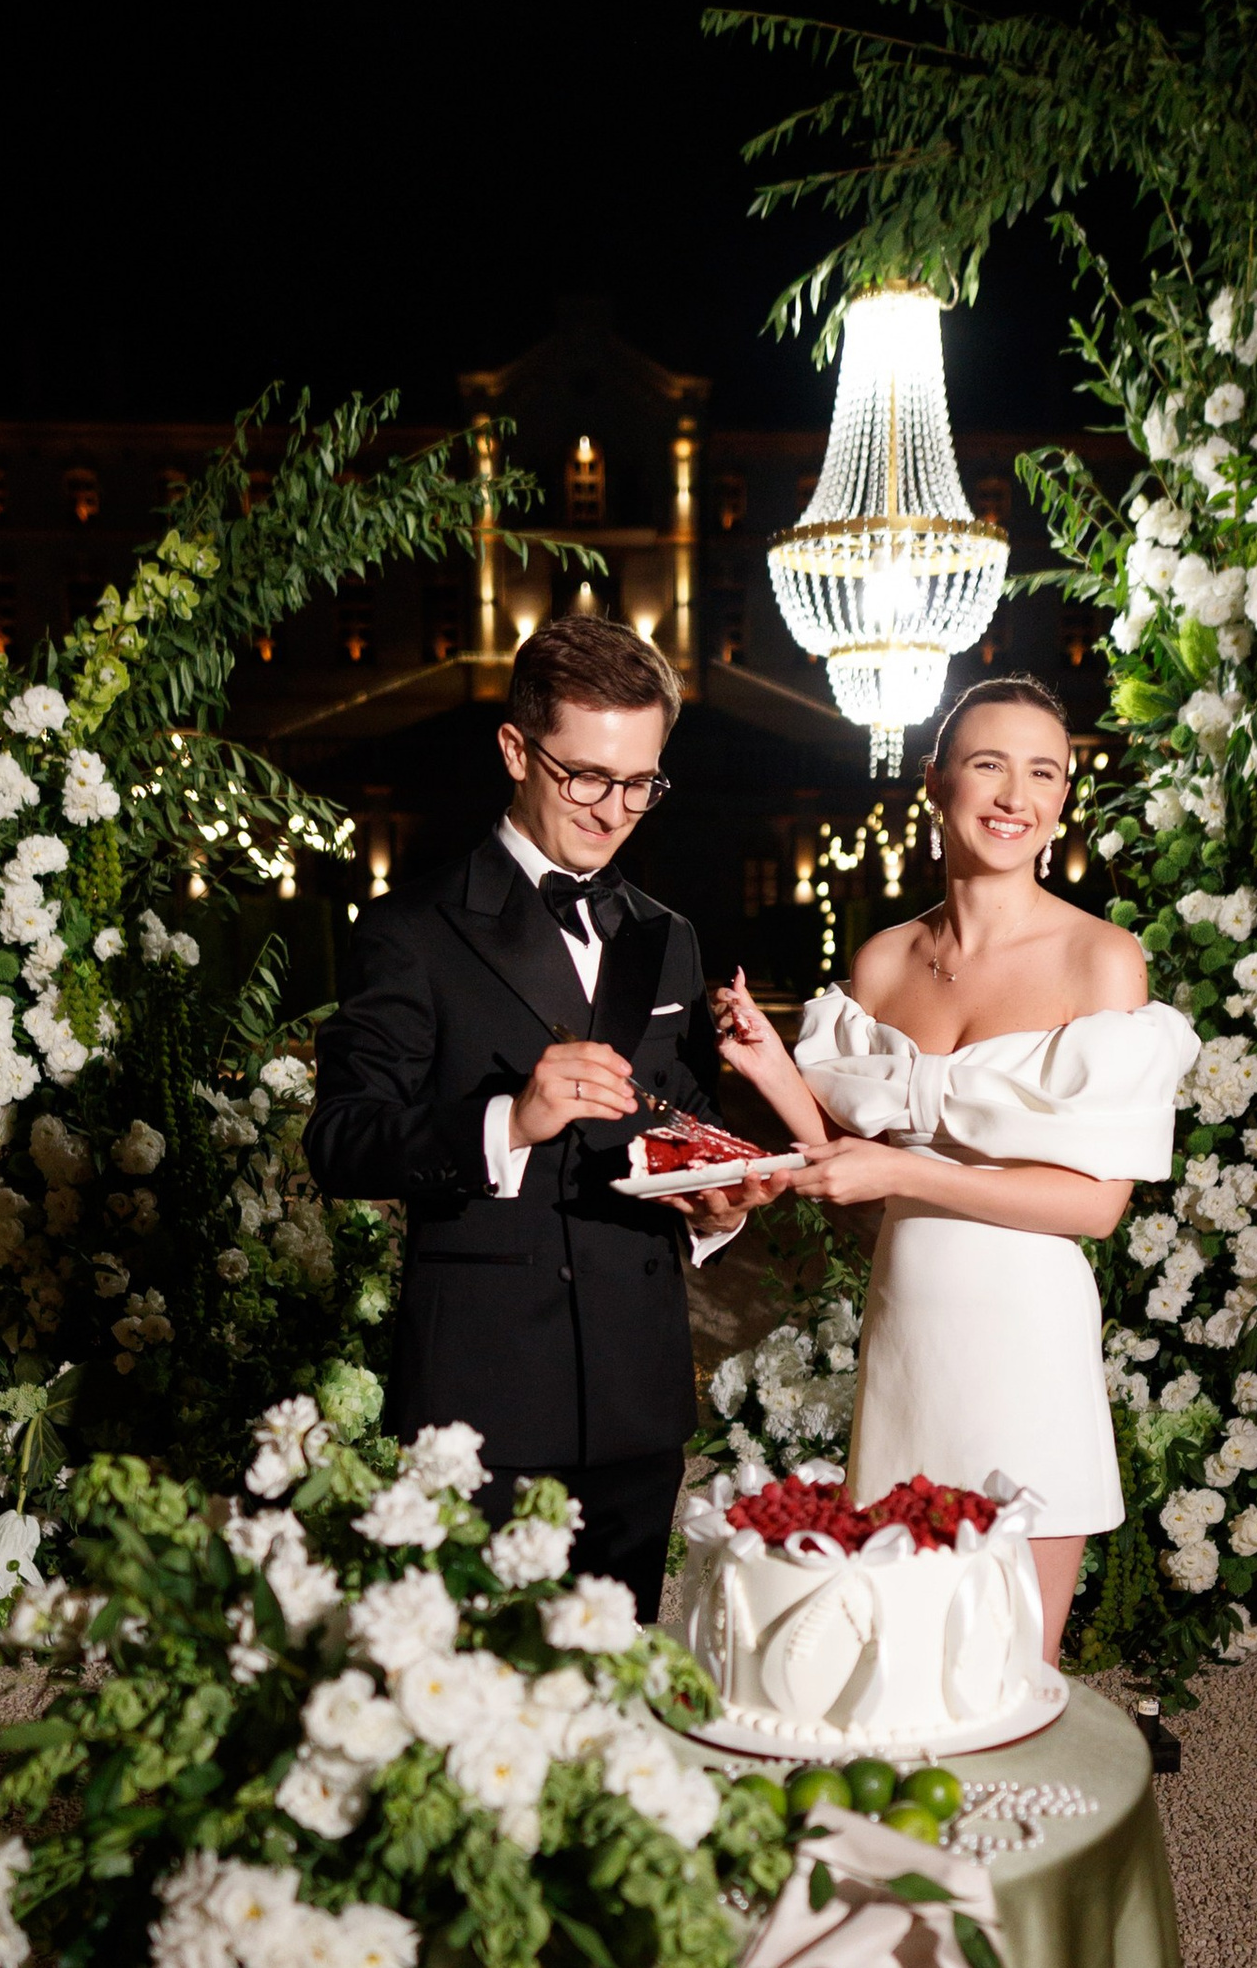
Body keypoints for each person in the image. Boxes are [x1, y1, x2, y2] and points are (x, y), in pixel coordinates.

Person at [715, 676, 1200, 1664]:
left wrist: (905, 1180)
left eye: (1042, 772)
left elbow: (1095, 1207)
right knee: (891, 1657)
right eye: (988, 765)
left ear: (1063, 797)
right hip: (908, 1330)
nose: (1015, 794)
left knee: (1010, 1666)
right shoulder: (883, 962)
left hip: (1028, 1331)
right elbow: (853, 1163)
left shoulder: (1101, 961)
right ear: (934, 783)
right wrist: (775, 1070)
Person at [304, 617, 777, 1616]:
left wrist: (719, 1195)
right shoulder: (409, 931)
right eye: (586, 777)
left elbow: (676, 1114)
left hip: (639, 1393)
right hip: (479, 1396)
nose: (614, 811)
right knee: (475, 1715)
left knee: (615, 1697)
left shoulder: (667, 938)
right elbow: (340, 1139)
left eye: (640, 781)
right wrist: (508, 1123)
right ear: (517, 751)